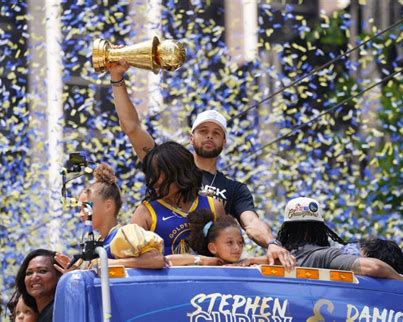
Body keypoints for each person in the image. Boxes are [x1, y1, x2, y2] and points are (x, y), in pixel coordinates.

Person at [108, 60, 295, 268]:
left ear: (224, 142)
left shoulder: (232, 191)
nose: (209, 137)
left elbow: (250, 223)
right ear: (191, 137)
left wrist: (271, 243)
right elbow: (132, 128)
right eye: (203, 131)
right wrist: (117, 78)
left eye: (216, 133)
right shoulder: (167, 162)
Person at [55, 163, 165, 270]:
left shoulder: (126, 233)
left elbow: (157, 260)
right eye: (80, 209)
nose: (81, 214)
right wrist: (74, 272)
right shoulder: (96, 242)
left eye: (86, 207)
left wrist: (113, 263)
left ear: (108, 206)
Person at [276, 197, 403, 280]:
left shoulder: (282, 258)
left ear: (286, 228)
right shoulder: (326, 256)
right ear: (320, 228)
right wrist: (399, 279)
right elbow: (374, 268)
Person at [131, 141, 226, 255]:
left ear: (179, 172)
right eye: (150, 174)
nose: (152, 181)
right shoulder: (144, 213)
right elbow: (133, 258)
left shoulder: (214, 206)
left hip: (208, 273)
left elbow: (228, 247)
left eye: (157, 173)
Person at [167, 209, 269, 266]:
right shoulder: (201, 264)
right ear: (212, 247)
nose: (237, 248)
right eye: (230, 242)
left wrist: (251, 260)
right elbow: (167, 260)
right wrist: (201, 260)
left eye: (240, 242)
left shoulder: (243, 264)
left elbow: (280, 261)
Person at [15, 249, 61, 322]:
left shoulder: (62, 311)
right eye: (29, 273)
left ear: (59, 275)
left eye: (42, 271)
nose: (34, 277)